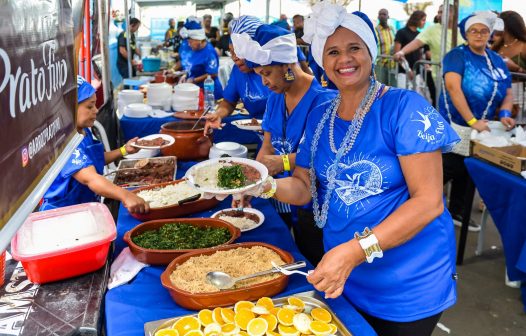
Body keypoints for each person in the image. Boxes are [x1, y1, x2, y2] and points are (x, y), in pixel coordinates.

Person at [251, 3, 460, 334]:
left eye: (354, 48)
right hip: (344, 275)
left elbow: (428, 202)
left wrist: (354, 251)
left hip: (405, 284)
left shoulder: (403, 108)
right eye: (332, 51)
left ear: (371, 52)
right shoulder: (322, 115)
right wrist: (261, 184)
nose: (343, 59)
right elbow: (304, 187)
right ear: (322, 60)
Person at [231, 23, 335, 265]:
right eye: (260, 76)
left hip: (322, 206)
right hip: (291, 198)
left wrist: (284, 161)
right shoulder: (276, 99)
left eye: (267, 73)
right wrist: (250, 185)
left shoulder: (325, 102)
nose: (265, 83)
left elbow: (328, 154)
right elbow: (266, 147)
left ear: (288, 66)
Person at [439, 11, 515, 231]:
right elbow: (454, 89)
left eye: (484, 31)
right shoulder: (457, 56)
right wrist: (472, 121)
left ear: (490, 34)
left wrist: (505, 114)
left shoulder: (496, 60)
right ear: (466, 33)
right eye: (474, 30)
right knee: (449, 166)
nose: (479, 35)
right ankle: (413, 203)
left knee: (468, 166)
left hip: (483, 126)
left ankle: (458, 210)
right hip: (458, 124)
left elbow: (508, 92)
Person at [41, 77, 149, 213]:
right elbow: (90, 179)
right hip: (63, 214)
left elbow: (94, 160)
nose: (96, 110)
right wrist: (125, 195)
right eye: (90, 106)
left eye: (95, 105)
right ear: (69, 108)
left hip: (85, 206)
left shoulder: (83, 130)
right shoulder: (63, 141)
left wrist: (123, 150)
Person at [205, 16, 271, 133]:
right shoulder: (238, 71)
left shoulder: (276, 69)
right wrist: (218, 114)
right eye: (231, 52)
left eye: (238, 52)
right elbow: (229, 102)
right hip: (262, 135)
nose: (234, 58)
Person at [394, 5, 464, 105]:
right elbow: (416, 43)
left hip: (461, 76)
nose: (438, 15)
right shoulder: (432, 30)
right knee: (444, 106)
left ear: (453, 14)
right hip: (440, 77)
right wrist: (402, 52)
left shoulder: (462, 30)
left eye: (441, 12)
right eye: (438, 12)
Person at [179, 16, 223, 99]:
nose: (189, 44)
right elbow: (192, 66)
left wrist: (194, 80)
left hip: (210, 93)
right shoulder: (194, 49)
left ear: (198, 40)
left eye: (191, 42)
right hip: (197, 91)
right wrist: (186, 75)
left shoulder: (209, 52)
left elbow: (213, 73)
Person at [394, 10, 427, 79]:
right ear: (417, 19)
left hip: (417, 72)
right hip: (403, 72)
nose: (425, 22)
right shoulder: (401, 32)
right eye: (423, 20)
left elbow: (420, 53)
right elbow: (397, 52)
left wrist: (425, 64)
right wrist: (408, 70)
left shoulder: (419, 34)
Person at [374, 8, 396, 85]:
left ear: (388, 16)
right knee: (381, 87)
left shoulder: (392, 29)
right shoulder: (375, 30)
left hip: (392, 64)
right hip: (380, 64)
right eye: (380, 14)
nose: (382, 16)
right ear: (378, 17)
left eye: (384, 14)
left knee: (393, 87)